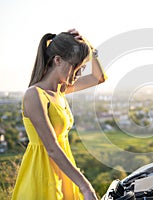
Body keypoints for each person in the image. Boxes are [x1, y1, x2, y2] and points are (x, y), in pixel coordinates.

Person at [12, 29, 106, 200]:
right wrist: (86, 187)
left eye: (82, 68)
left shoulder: (61, 91)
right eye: (76, 67)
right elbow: (51, 147)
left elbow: (98, 78)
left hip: (63, 173)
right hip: (41, 174)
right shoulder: (35, 94)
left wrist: (90, 49)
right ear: (57, 60)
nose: (78, 74)